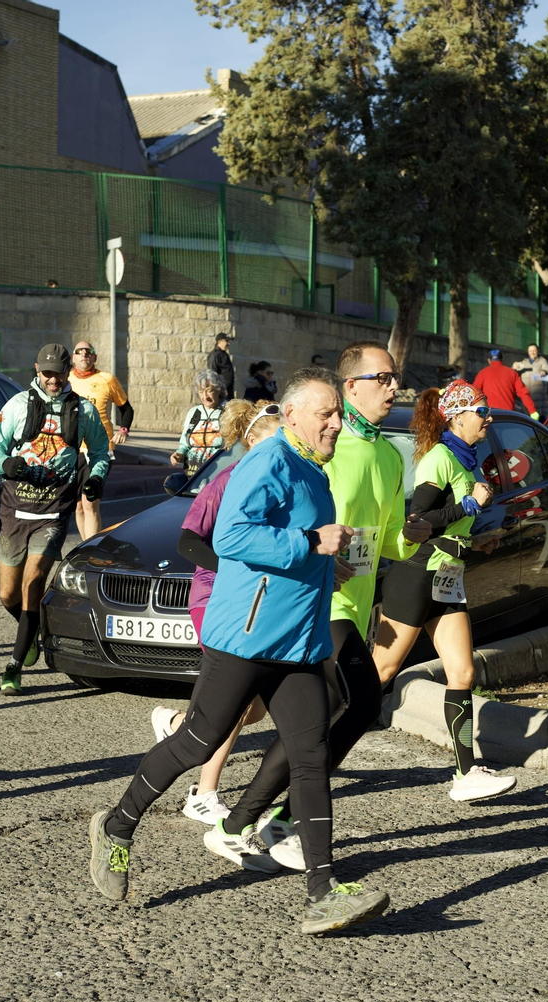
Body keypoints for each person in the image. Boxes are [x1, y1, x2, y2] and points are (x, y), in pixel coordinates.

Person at [89, 367, 390, 935]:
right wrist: (310, 542)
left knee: (311, 752)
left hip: (296, 639)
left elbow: (291, 549)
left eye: (336, 413)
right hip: (247, 635)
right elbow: (229, 537)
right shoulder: (269, 461)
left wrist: (327, 562)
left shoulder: (312, 469)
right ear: (293, 414)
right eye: (326, 413)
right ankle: (119, 825)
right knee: (197, 740)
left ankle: (323, 892)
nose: (335, 422)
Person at [210, 341, 433, 872]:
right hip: (312, 602)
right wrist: (310, 547)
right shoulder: (323, 448)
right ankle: (265, 823)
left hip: (353, 606)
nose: (394, 387)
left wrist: (417, 534)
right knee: (341, 711)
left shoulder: (386, 453)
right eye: (384, 378)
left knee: (348, 710)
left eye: (395, 378)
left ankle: (246, 823)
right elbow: (281, 520)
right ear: (350, 386)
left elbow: (388, 545)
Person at [370, 380, 518, 801]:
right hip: (415, 576)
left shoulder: (467, 462)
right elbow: (417, 520)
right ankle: (310, 742)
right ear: (456, 417)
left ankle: (466, 773)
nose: (488, 418)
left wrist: (475, 540)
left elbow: (448, 529)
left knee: (464, 672)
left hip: (446, 579)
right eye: (481, 411)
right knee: (378, 674)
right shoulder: (439, 458)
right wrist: (469, 505)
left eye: (486, 410)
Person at [150, 398, 283, 823]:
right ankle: (203, 793)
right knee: (238, 699)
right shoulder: (225, 480)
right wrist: (236, 569)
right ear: (252, 441)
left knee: (255, 707)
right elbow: (188, 542)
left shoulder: (279, 479)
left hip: (257, 599)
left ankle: (175, 727)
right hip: (217, 596)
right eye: (279, 440)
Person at [0, 344, 111, 695]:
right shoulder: (17, 405)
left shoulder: (83, 410)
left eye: (59, 373)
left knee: (33, 582)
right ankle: (34, 630)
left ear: (68, 371)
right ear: (37, 370)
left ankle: (13, 667)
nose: (53, 380)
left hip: (54, 511)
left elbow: (101, 452)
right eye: (47, 373)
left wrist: (96, 477)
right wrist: (5, 464)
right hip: (15, 510)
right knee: (8, 594)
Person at [67, 339, 133, 539]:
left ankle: (90, 551)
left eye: (88, 352)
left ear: (94, 357)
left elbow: (126, 408)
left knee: (90, 501)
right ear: (73, 357)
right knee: (77, 506)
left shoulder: (107, 379)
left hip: (99, 448)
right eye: (80, 352)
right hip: (72, 448)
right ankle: (85, 546)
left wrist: (123, 430)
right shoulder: (66, 379)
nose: (84, 355)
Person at [170, 371, 227, 471]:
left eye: (209, 391)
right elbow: (185, 443)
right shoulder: (194, 413)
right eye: (201, 392)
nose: (205, 396)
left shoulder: (228, 412)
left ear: (219, 391)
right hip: (193, 471)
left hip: (218, 470)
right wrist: (179, 454)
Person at [472, 348, 538, 417]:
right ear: (502, 359)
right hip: (507, 415)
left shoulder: (482, 373)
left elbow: (474, 393)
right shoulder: (512, 373)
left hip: (488, 414)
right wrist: (533, 411)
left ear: (489, 360)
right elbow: (523, 393)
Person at [515, 343, 548, 416]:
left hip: (539, 399)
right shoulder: (524, 363)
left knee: (539, 420)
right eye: (530, 351)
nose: (532, 353)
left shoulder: (542, 361)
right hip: (527, 398)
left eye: (534, 351)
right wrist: (514, 367)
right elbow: (513, 373)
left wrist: (544, 372)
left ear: (538, 351)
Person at [207, 332, 235, 400]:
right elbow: (212, 375)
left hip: (228, 391)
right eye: (227, 341)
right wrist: (219, 389)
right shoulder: (215, 355)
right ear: (219, 342)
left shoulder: (224, 355)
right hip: (221, 393)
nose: (229, 343)